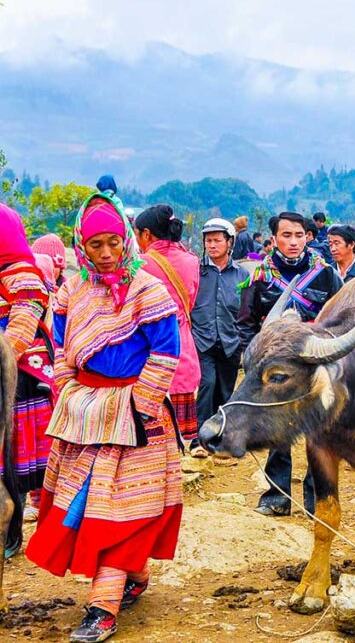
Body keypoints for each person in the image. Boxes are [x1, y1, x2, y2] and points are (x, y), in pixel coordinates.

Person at [25, 189, 182, 642]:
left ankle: (103, 607)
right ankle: (135, 575)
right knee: (84, 506)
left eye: (114, 241)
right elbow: (59, 348)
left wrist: (140, 407)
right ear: (82, 246)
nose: (108, 253)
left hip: (137, 419)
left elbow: (166, 354)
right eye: (96, 245)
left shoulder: (147, 289)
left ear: (127, 239)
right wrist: (68, 392)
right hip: (85, 415)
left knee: (120, 510)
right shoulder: (72, 289)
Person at [238, 211, 343, 517]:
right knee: (276, 431)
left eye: (299, 235)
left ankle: (315, 498)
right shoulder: (258, 277)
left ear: (308, 237)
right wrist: (252, 359)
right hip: (274, 371)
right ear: (274, 239)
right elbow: (245, 322)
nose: (293, 242)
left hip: (314, 366)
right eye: (286, 235)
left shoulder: (326, 274)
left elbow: (338, 317)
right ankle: (277, 495)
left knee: (318, 431)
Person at [0, 204, 55, 557]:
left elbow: (25, 316)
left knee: (11, 468)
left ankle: (12, 528)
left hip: (17, 378)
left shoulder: (22, 272)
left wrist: (5, 351)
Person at [135, 204, 201, 446]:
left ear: (147, 234)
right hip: (183, 349)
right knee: (180, 439)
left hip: (148, 352)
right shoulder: (191, 260)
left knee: (152, 436)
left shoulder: (139, 264)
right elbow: (189, 304)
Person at [190, 218, 249, 457]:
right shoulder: (196, 271)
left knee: (226, 391)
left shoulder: (241, 274)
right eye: (208, 241)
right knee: (207, 385)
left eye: (217, 240)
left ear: (229, 242)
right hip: (202, 339)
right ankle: (199, 440)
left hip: (230, 340)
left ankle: (223, 438)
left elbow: (246, 309)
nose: (212, 245)